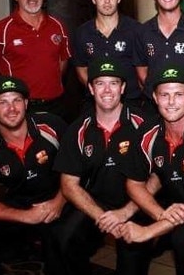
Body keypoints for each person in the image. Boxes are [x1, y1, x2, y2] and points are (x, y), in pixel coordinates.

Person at [118, 64, 184, 274]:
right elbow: (134, 184)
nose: (171, 102)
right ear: (155, 98)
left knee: (183, 237)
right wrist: (160, 214)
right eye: (164, 95)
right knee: (129, 231)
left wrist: (149, 231)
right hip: (170, 201)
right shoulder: (147, 132)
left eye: (179, 94)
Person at [53, 58, 152, 275]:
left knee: (132, 264)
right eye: (100, 83)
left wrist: (125, 212)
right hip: (95, 204)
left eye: (114, 83)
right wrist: (101, 216)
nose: (107, 90)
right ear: (90, 88)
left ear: (123, 87)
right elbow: (69, 185)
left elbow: (157, 178)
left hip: (135, 204)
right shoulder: (78, 129)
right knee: (65, 238)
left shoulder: (145, 125)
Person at [0, 76, 67, 275]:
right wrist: (26, 216)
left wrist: (58, 202)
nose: (11, 108)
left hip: (60, 200)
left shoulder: (52, 126)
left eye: (16, 100)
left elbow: (77, 169)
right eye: (2, 102)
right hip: (19, 209)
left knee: (64, 237)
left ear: (26, 103)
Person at [0, 0, 71, 118]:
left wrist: (47, 83)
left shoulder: (58, 26)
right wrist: (14, 92)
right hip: (20, 109)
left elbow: (62, 61)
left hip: (57, 105)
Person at [70, 0, 143, 108]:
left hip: (131, 102)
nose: (107, 1)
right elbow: (81, 69)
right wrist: (100, 93)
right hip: (95, 104)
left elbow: (143, 69)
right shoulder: (82, 33)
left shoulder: (136, 30)